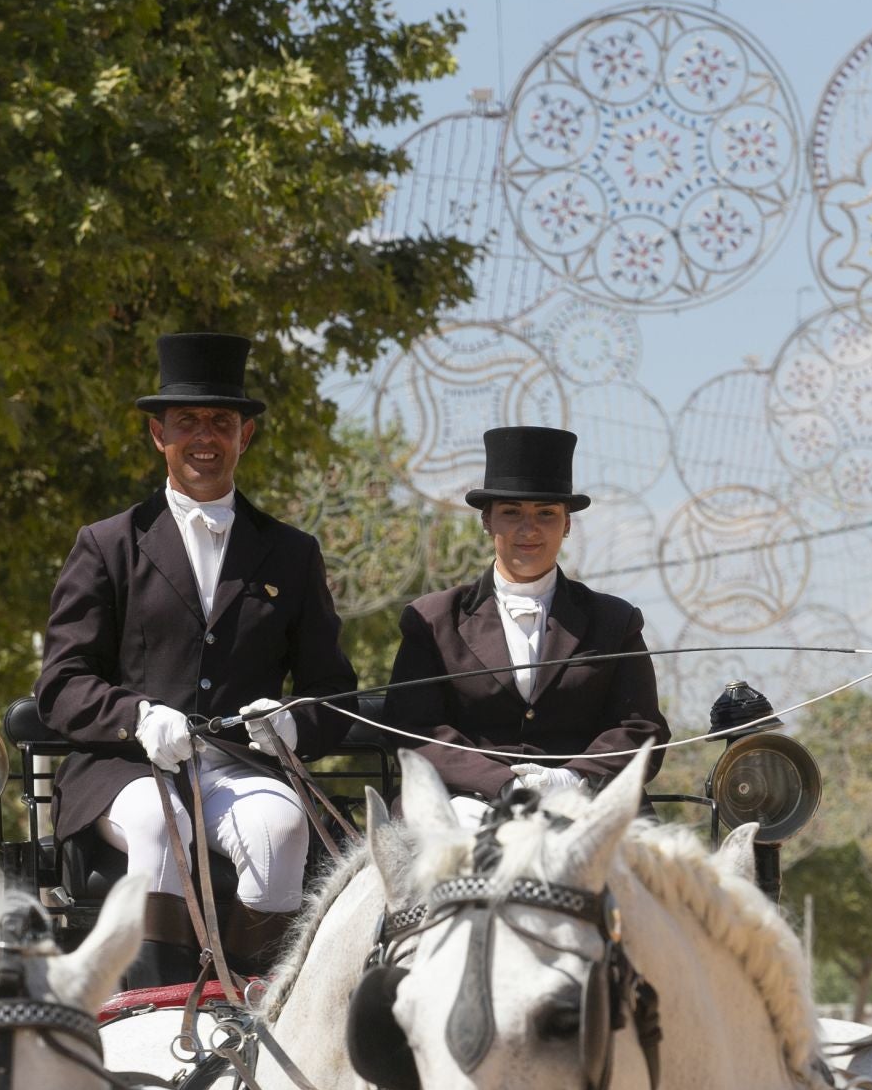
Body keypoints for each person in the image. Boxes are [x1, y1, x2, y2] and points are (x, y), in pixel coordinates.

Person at [37, 332, 357, 986]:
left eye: (221, 422)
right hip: (127, 768)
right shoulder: (106, 544)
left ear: (246, 438)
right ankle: (155, 1005)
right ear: (159, 434)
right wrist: (136, 717)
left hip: (239, 767)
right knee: (162, 822)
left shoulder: (292, 553)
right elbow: (61, 682)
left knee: (279, 827)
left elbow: (333, 689)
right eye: (188, 423)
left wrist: (293, 723)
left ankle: (256, 1005)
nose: (204, 437)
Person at [384, 426, 669, 822]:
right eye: (512, 512)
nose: (528, 528)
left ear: (567, 524)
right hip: (466, 802)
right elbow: (414, 728)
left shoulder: (614, 620)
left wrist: (573, 779)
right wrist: (503, 784)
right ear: (487, 521)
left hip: (586, 804)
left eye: (546, 514)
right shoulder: (433, 619)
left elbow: (641, 729)